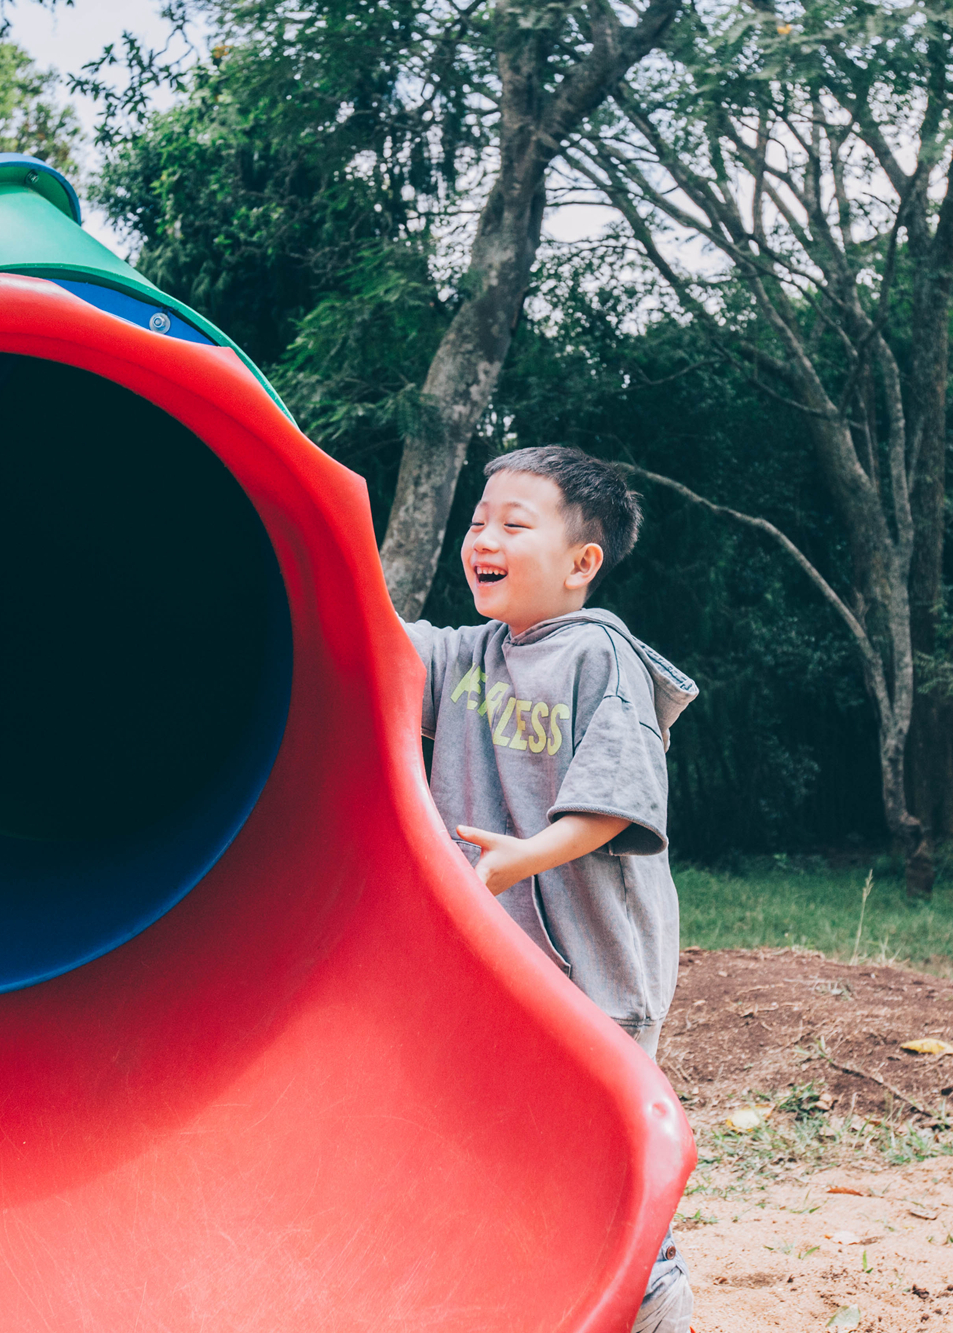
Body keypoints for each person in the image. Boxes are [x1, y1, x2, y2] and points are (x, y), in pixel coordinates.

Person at [401, 445, 698, 1333]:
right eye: (478, 520)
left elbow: (617, 805)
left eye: (513, 523)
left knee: (602, 1158)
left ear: (581, 564)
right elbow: (373, 638)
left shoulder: (600, 656)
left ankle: (654, 1303)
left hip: (596, 976)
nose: (483, 536)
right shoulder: (466, 654)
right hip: (507, 974)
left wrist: (517, 857)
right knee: (506, 1142)